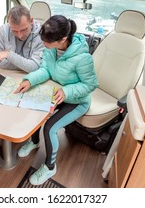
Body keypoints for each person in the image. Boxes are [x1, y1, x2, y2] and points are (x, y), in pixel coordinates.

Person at [14, 15, 99, 186]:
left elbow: (91, 84)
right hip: (56, 92)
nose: (44, 45)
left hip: (77, 100)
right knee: (34, 112)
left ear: (63, 40)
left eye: (47, 43)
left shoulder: (83, 58)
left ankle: (50, 166)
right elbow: (45, 69)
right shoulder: (51, 48)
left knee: (50, 127)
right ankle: (35, 142)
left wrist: (67, 91)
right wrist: (29, 80)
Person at [0, 5, 44, 73]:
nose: (19, 36)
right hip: (8, 75)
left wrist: (8, 55)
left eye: (23, 30)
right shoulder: (3, 30)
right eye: (14, 31)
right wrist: (26, 65)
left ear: (31, 21)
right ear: (9, 23)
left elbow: (35, 67)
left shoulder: (42, 35)